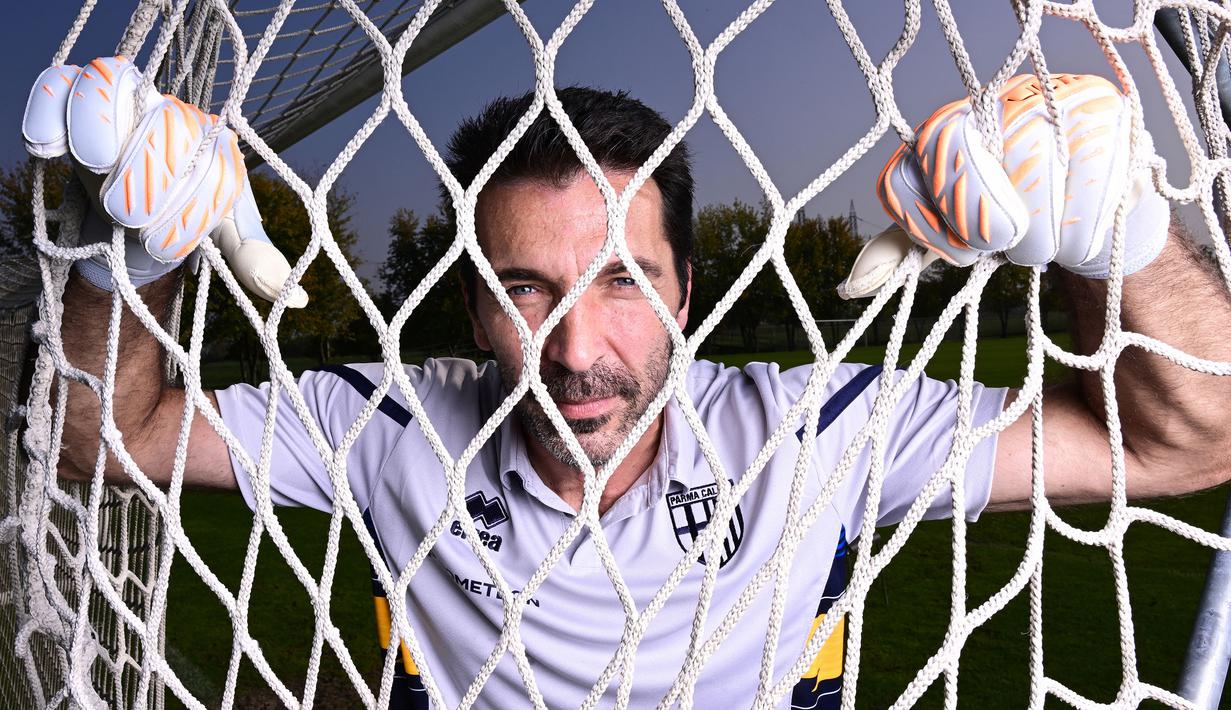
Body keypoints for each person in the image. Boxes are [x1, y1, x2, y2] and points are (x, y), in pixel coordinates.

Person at [23, 57, 1231, 708]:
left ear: (687, 292)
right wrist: (132, 260)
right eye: (527, 286)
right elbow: (96, 436)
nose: (576, 347)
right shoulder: (396, 422)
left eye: (621, 280)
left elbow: (1190, 445)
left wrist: (1123, 237)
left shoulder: (808, 432)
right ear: (472, 306)